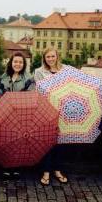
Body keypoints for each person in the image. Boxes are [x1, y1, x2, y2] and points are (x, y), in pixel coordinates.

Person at [0, 52, 35, 179]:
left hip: (21, 115)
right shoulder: (3, 77)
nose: (17, 64)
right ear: (11, 63)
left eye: (20, 62)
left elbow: (30, 97)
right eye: (15, 61)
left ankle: (17, 167)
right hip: (5, 113)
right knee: (6, 140)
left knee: (19, 141)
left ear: (23, 64)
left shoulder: (28, 79)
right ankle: (6, 166)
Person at [34, 47, 68, 185]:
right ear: (44, 58)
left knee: (60, 142)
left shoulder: (65, 70)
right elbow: (40, 90)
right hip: (46, 109)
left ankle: (57, 170)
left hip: (62, 109)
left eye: (53, 56)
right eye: (48, 57)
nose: (50, 59)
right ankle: (46, 171)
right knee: (47, 141)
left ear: (57, 56)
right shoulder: (39, 72)